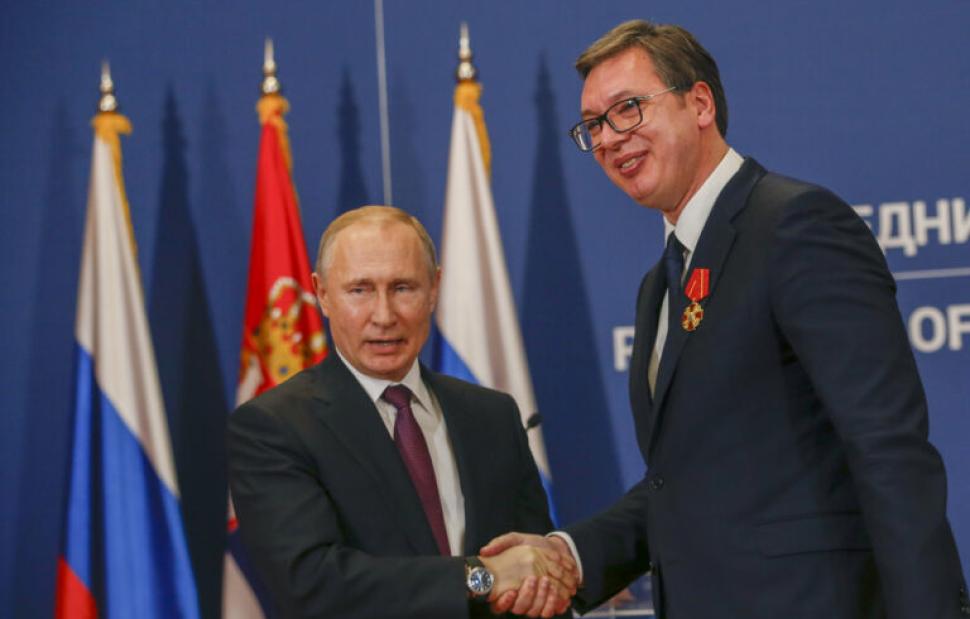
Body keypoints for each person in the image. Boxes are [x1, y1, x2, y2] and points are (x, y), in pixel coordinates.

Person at [484, 19, 969, 619]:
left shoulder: (795, 227)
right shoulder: (659, 284)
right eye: (594, 124)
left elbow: (887, 447)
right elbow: (684, 485)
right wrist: (571, 555)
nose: (609, 138)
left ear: (700, 104)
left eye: (628, 109)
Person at [227, 206, 575, 618]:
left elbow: (531, 571)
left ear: (434, 288)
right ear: (322, 294)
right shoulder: (274, 426)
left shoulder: (492, 415)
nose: (384, 316)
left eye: (403, 288)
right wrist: (482, 576)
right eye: (360, 290)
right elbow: (313, 583)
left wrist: (553, 577)